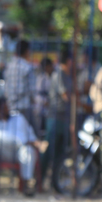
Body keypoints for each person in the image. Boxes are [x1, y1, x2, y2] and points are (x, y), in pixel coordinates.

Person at [0, 97, 48, 195]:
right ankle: (22, 142)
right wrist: (22, 141)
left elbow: (31, 136)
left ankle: (27, 183)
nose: (7, 110)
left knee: (28, 150)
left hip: (19, 152)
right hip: (1, 153)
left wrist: (36, 143)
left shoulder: (19, 118)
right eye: (3, 108)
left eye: (7, 107)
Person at [44, 50, 74, 183]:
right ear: (69, 61)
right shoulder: (59, 74)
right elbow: (66, 96)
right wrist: (82, 104)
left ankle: (55, 182)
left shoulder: (68, 75)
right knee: (49, 151)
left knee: (61, 153)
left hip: (65, 118)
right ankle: (40, 181)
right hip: (55, 118)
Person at [3, 39, 36, 127]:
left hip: (10, 106)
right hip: (24, 107)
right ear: (27, 51)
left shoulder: (9, 66)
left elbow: (5, 86)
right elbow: (32, 90)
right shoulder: (27, 67)